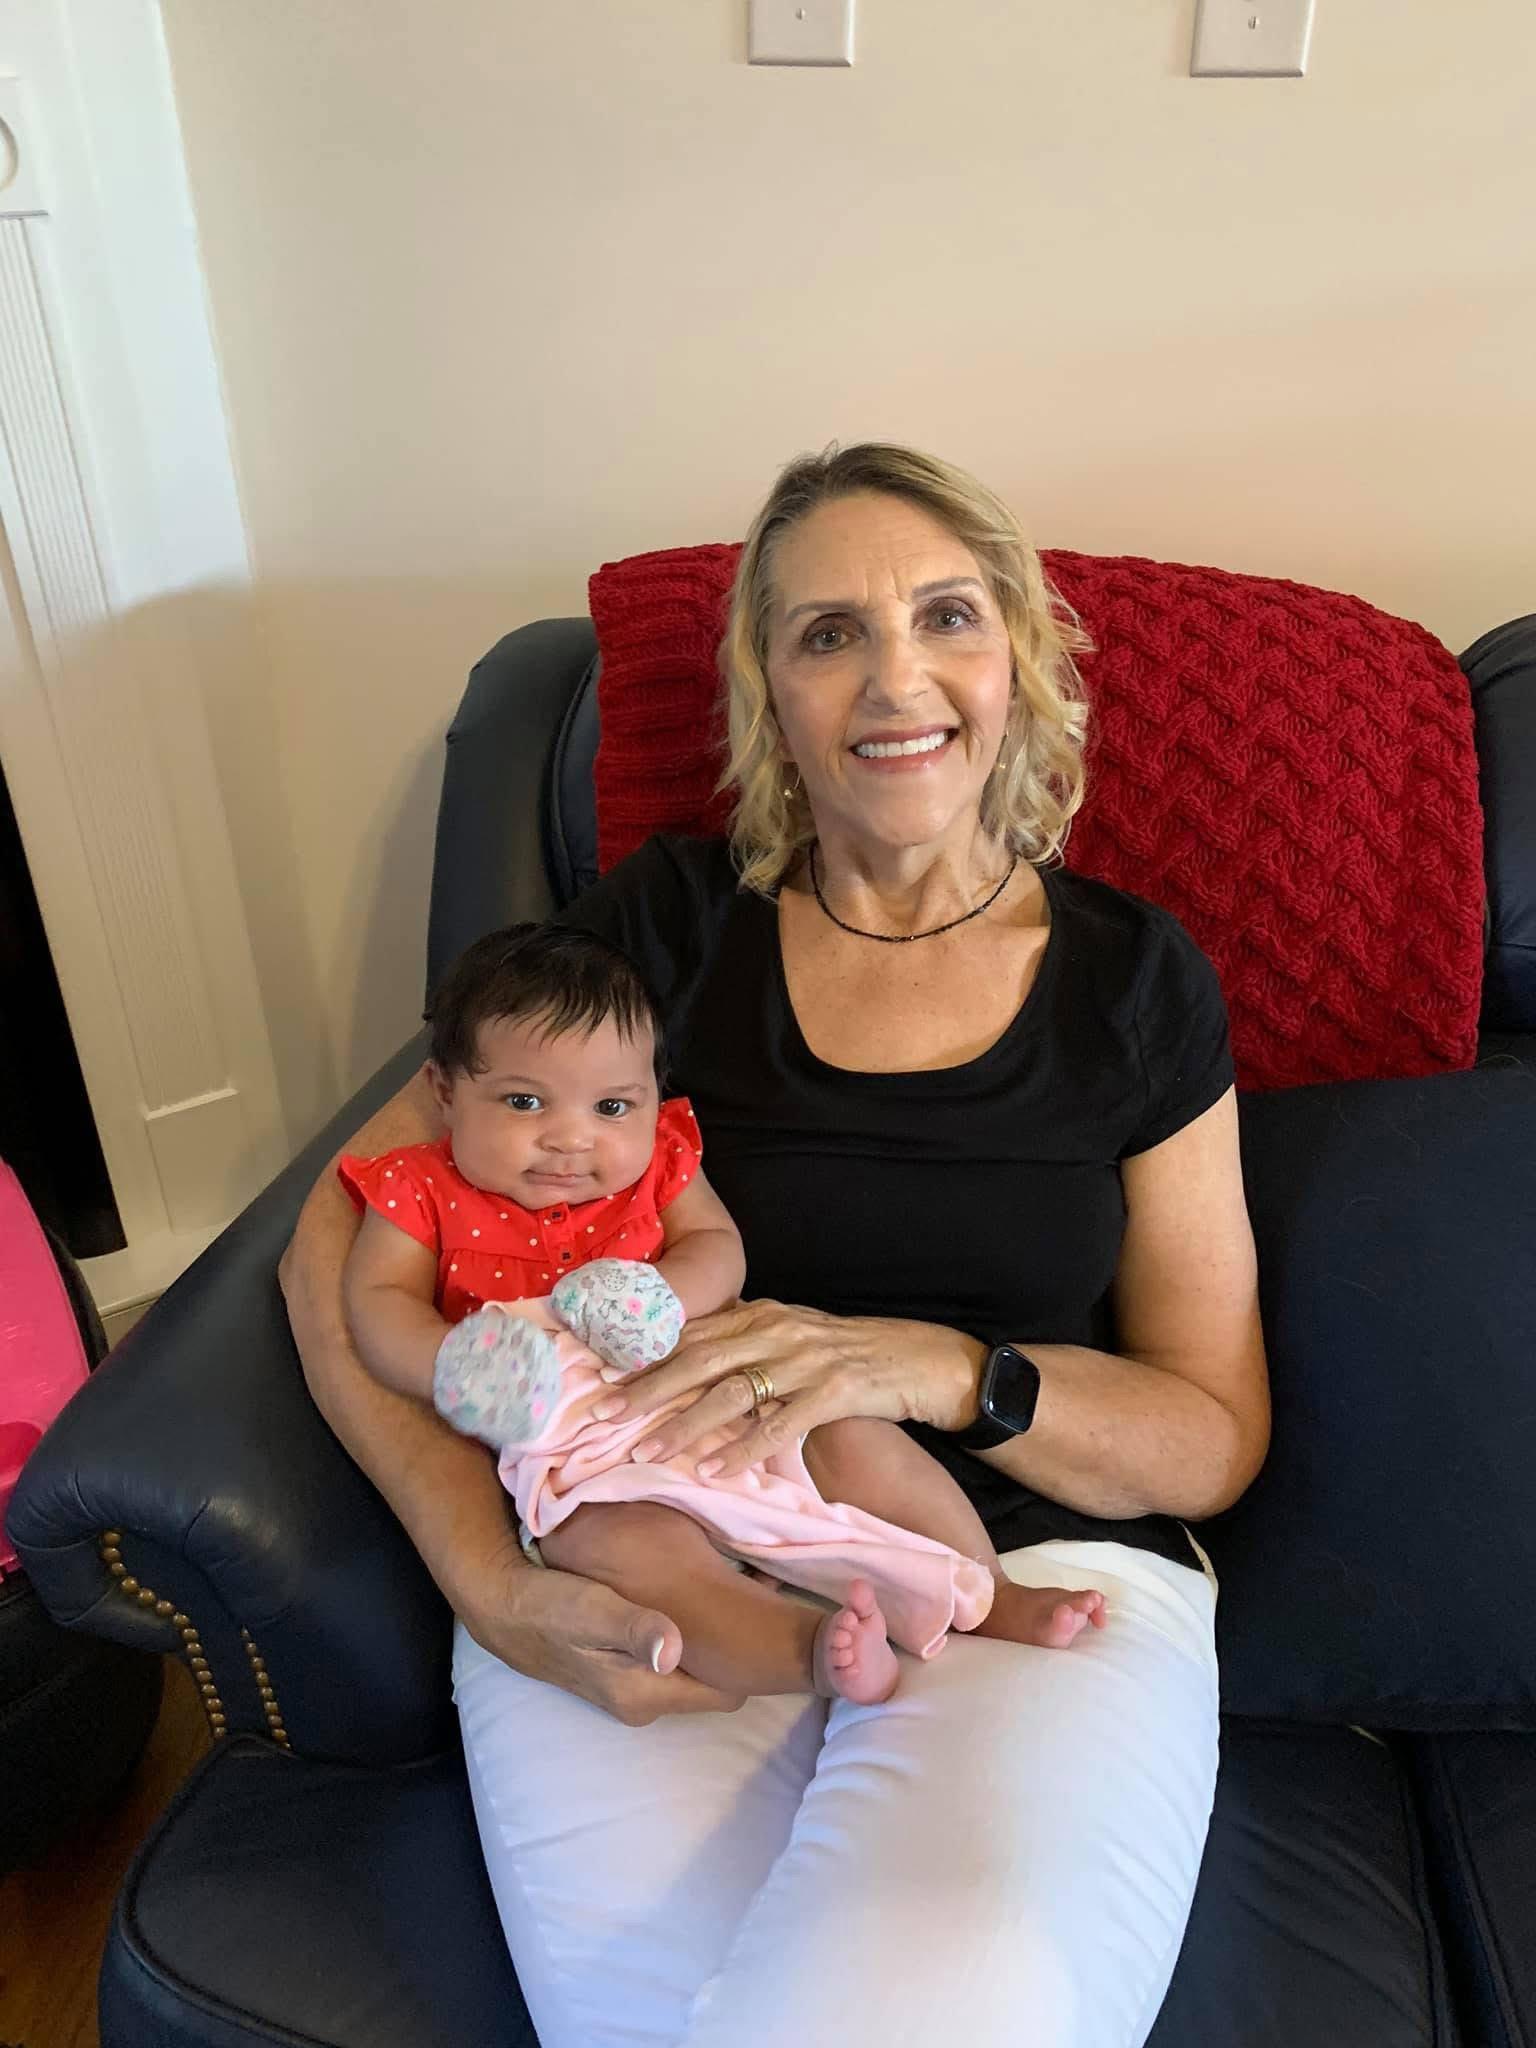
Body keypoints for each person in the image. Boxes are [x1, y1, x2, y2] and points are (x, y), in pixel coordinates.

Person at [281, 441, 1270, 2048]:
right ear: (769, 696)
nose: (898, 678)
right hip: (644, 1529)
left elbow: (1213, 1437)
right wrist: (486, 1581)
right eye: (828, 634)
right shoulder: (656, 934)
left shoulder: (1137, 986)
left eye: (947, 615)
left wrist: (944, 1372)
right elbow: (333, 1243)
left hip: (1024, 1558)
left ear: (1016, 652)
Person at [339, 920, 1105, 1706]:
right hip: (578, 1449)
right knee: (629, 1557)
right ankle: (807, 1651)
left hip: (710, 1377)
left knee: (855, 1441)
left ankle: (993, 1591)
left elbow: (717, 1247)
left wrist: (666, 1297)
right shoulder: (420, 1188)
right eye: (524, 1101)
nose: (570, 1139)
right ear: (444, 1093)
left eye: (611, 1105)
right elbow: (377, 1302)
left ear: (650, 1097)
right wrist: (451, 1366)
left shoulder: (658, 1162)